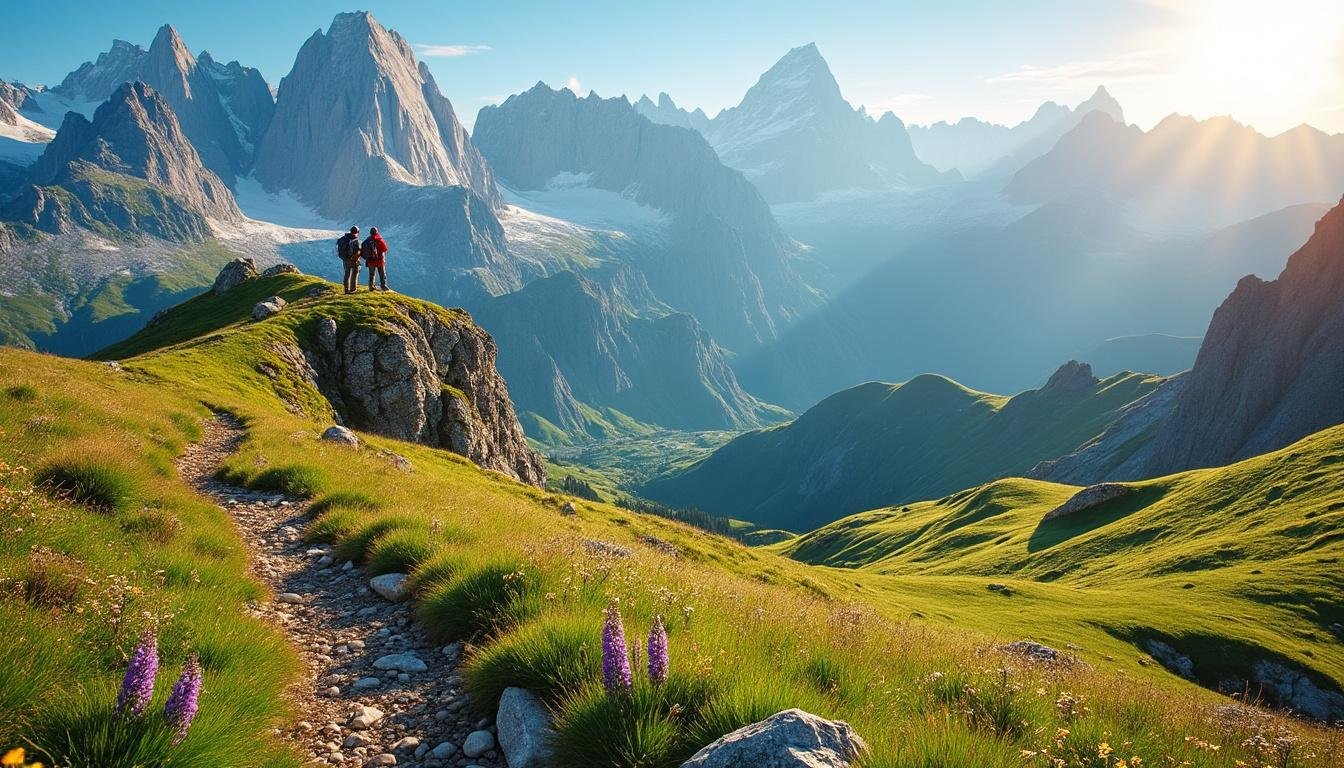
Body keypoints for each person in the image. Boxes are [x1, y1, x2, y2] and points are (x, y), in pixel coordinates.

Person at [362, 226, 389, 291]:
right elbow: (385, 249)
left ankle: (371, 286)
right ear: (377, 232)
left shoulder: (367, 240)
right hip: (380, 260)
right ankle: (383, 286)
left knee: (372, 274)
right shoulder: (379, 239)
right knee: (382, 274)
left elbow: (362, 250)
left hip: (371, 261)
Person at [337, 226, 361, 293]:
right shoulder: (355, 240)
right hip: (353, 259)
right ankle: (353, 289)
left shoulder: (344, 238)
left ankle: (346, 289)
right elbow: (358, 250)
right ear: (357, 232)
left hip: (345, 259)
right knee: (355, 273)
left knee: (347, 274)